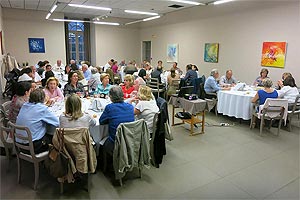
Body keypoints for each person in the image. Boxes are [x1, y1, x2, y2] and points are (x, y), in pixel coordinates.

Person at [15, 89, 59, 154]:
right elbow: (57, 123)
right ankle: (56, 160)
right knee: (56, 136)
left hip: (19, 144)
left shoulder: (25, 105)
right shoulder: (41, 109)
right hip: (34, 146)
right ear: (43, 98)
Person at [99, 86, 135, 154]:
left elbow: (101, 122)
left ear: (111, 97)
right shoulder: (130, 107)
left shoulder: (110, 107)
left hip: (115, 141)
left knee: (101, 145)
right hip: (130, 140)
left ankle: (105, 163)